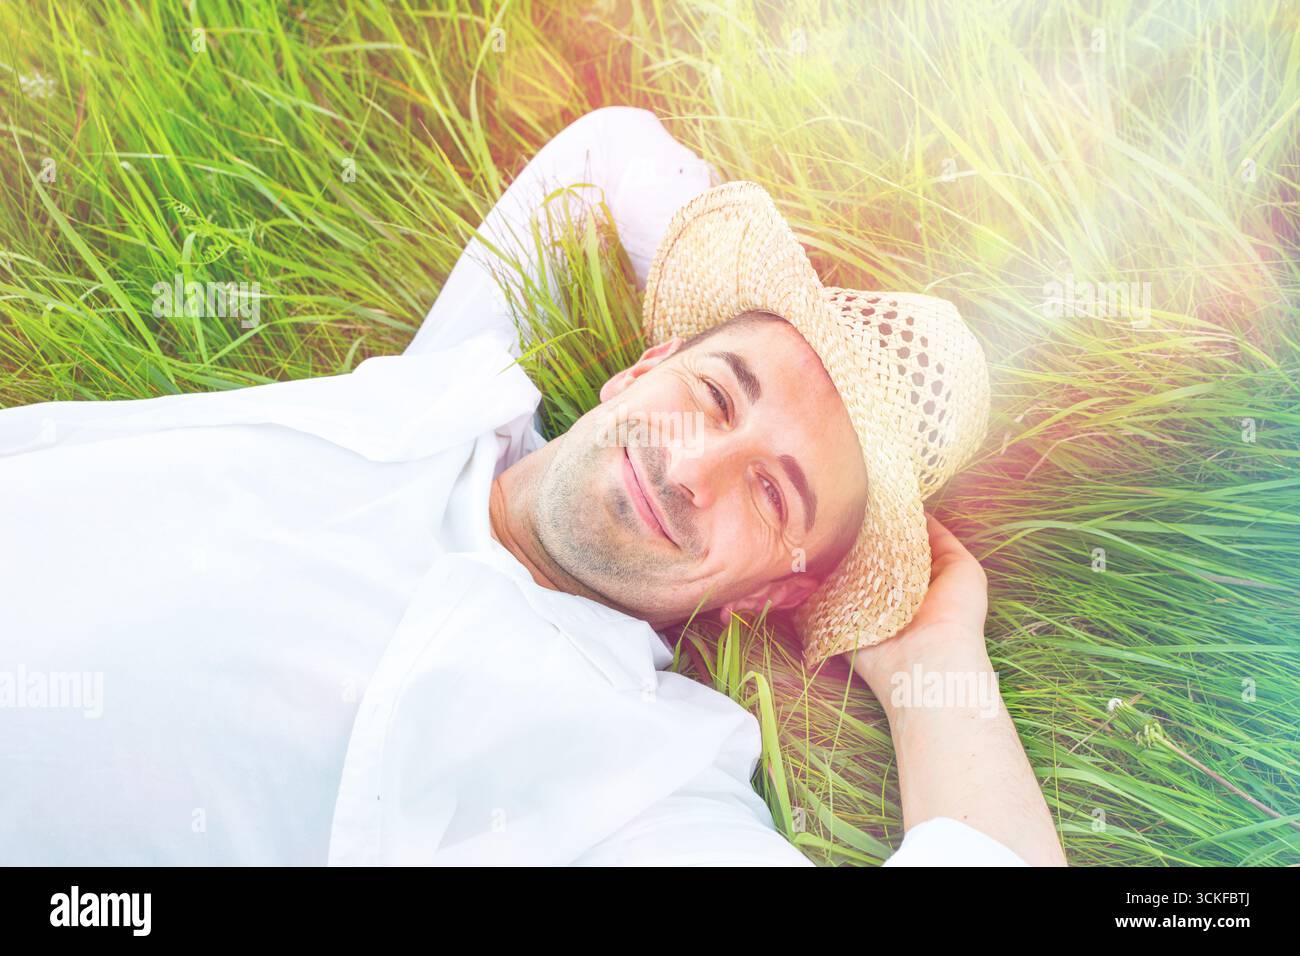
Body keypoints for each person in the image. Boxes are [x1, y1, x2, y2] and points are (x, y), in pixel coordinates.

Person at [0, 106, 1065, 866]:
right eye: (714, 388)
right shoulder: (453, 388)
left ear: (765, 594)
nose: (691, 467)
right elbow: (606, 152)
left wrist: (936, 659)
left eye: (773, 496)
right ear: (638, 367)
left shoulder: (631, 770)